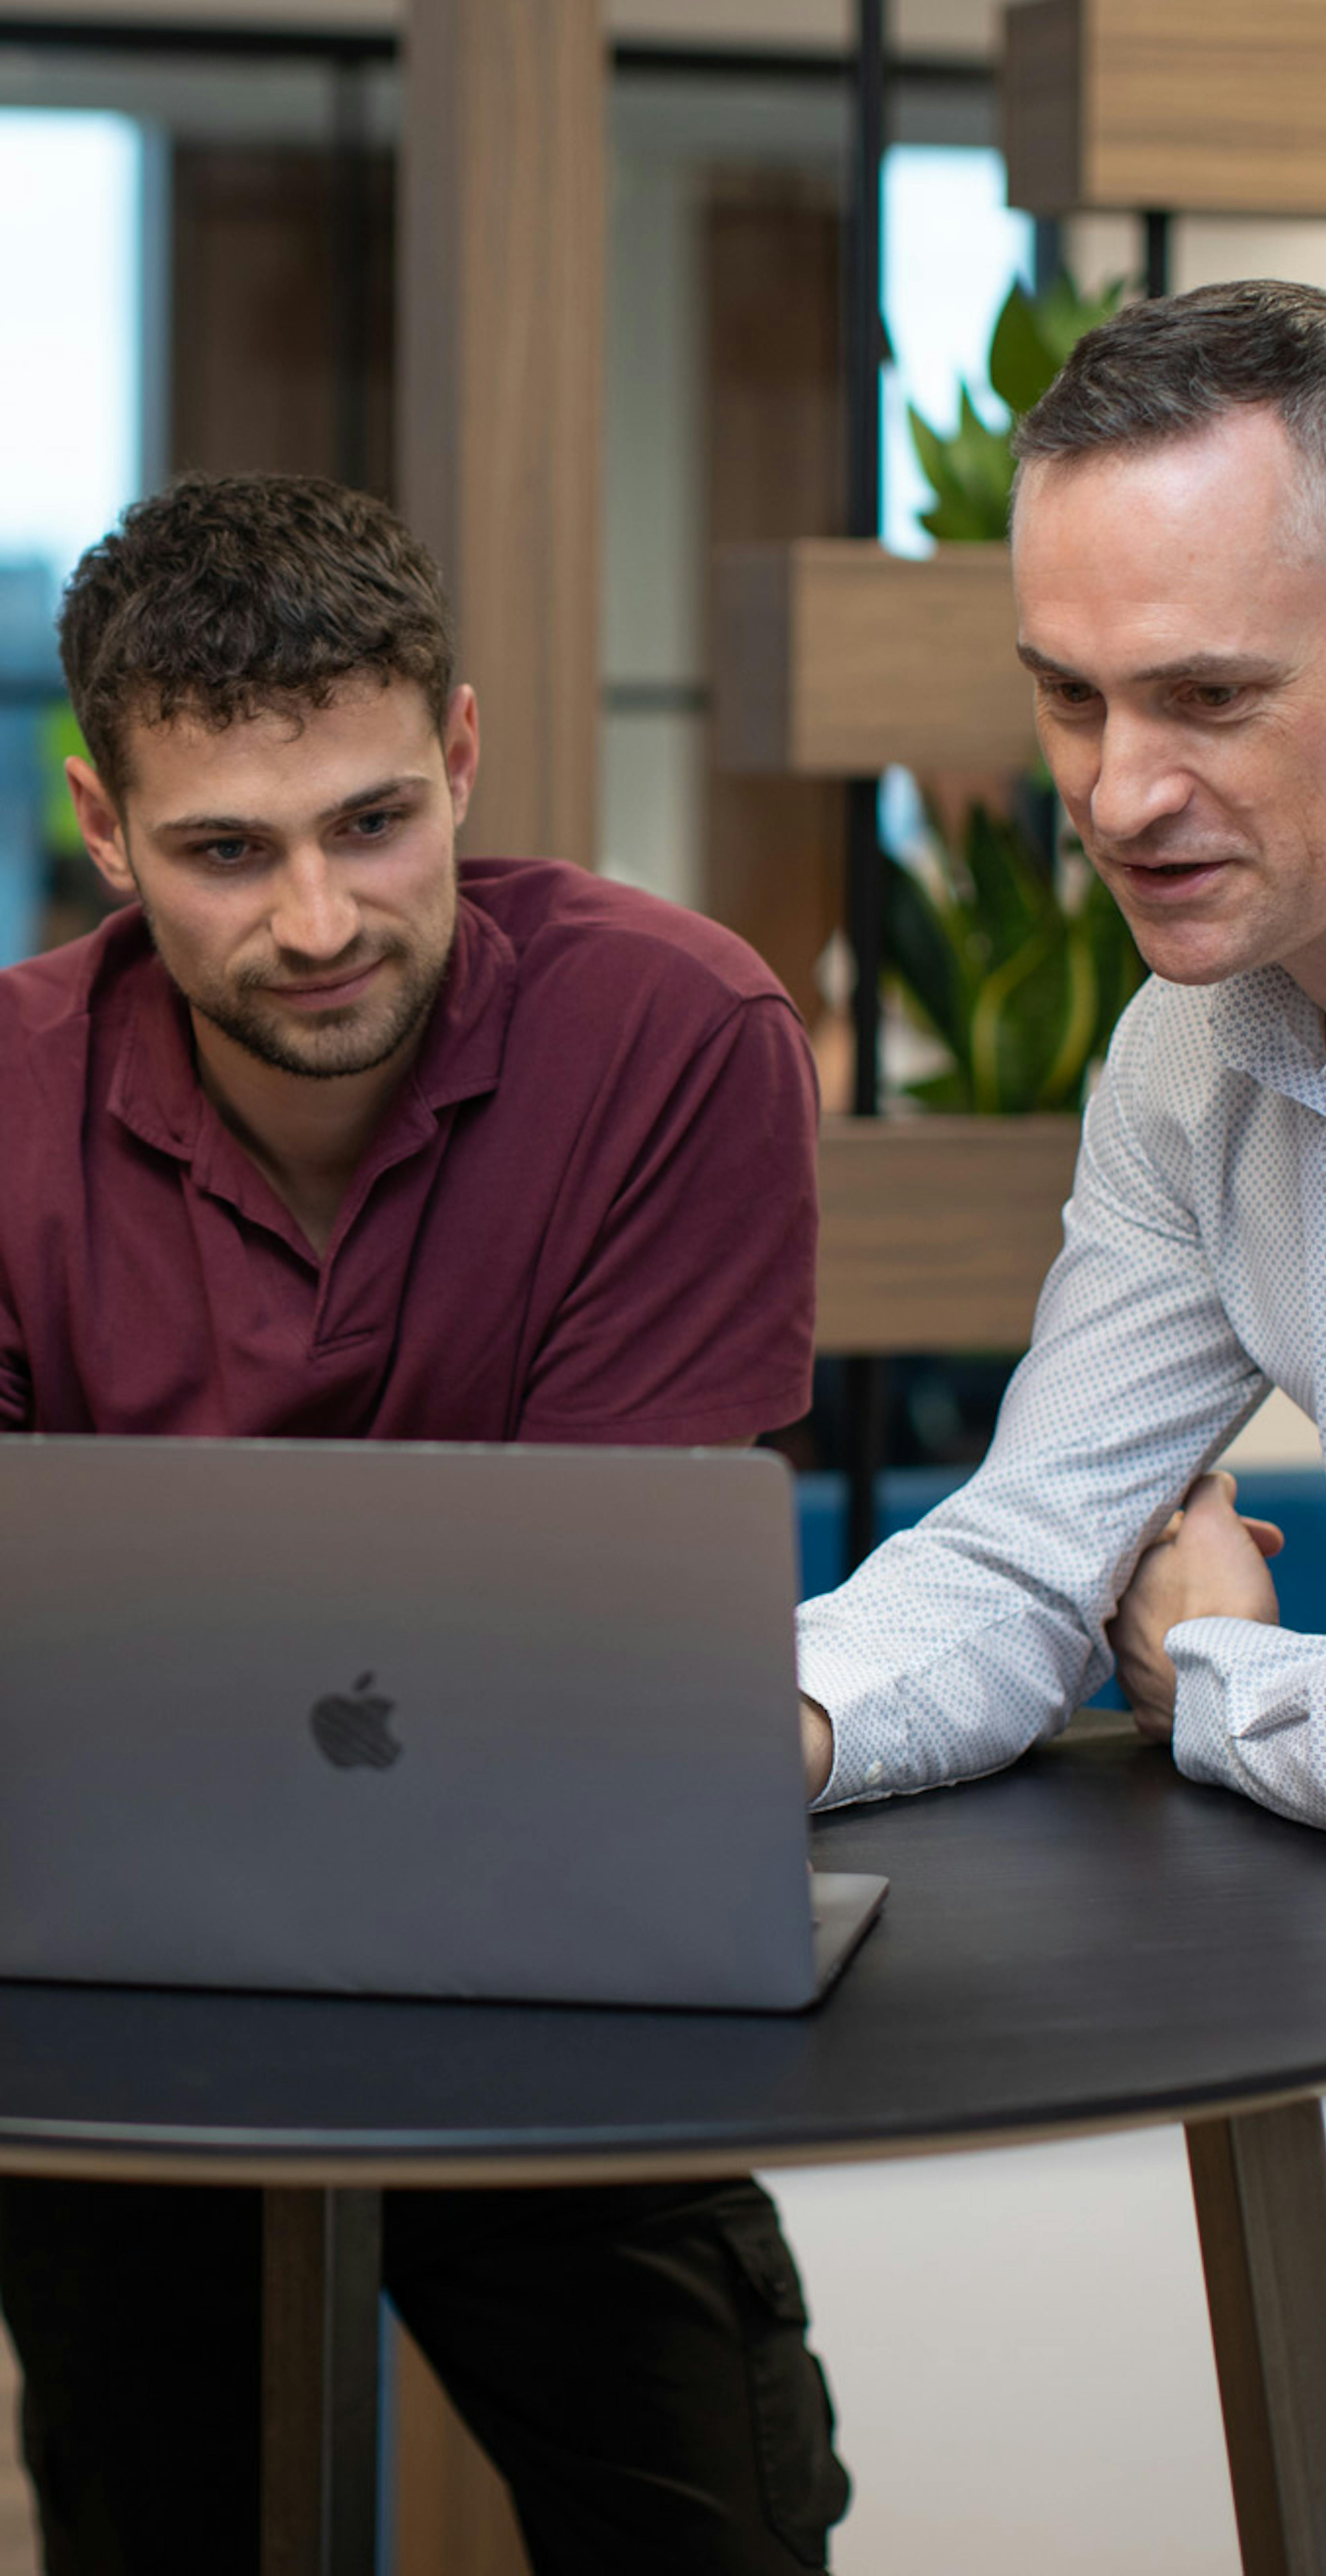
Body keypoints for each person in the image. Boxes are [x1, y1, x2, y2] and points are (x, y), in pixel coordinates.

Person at [0, 473, 851, 2576]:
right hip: (125, 2011)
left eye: (375, 823)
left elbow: (599, 1673)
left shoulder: (675, 1035)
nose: (315, 920)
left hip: (562, 1984)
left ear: (461, 757)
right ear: (106, 833)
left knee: (722, 2537)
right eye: (223, 851)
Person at [798, 278, 1326, 1870]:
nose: (1116, 798)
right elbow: (1038, 1548)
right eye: (1070, 697)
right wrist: (747, 1730)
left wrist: (1209, 1674)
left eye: (1209, 698)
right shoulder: (1190, 1042)